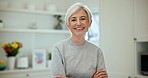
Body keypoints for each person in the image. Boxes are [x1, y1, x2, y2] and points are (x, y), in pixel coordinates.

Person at [51, 3, 108, 78]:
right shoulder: (58, 48)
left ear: (89, 23)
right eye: (73, 20)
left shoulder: (97, 52)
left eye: (83, 19)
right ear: (68, 24)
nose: (78, 23)